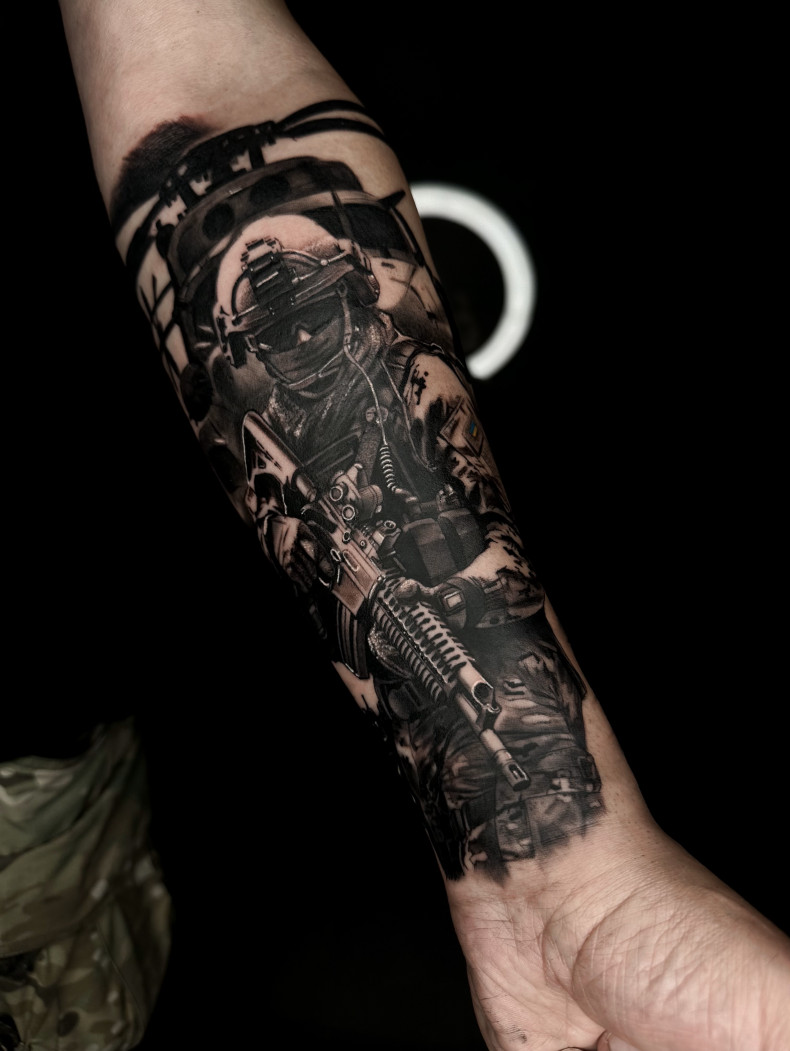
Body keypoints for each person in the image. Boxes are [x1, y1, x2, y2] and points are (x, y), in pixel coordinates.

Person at [2, 2, 787, 1050]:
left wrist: (567, 881)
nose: (298, 343)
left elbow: (196, 68)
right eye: (274, 333)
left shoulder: (398, 399)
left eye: (312, 315)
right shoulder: (272, 436)